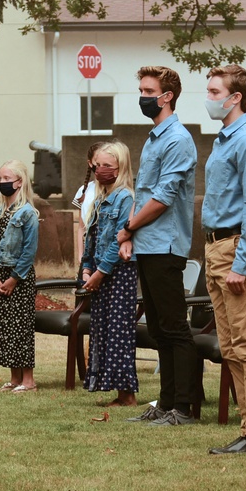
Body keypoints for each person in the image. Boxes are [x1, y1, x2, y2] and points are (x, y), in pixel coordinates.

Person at [116, 66, 199, 426]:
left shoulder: (177, 139)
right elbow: (143, 192)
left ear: (167, 96)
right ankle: (165, 405)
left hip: (166, 245)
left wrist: (128, 227)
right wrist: (131, 234)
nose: (142, 96)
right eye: (141, 89)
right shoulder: (154, 138)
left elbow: (163, 199)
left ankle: (184, 407)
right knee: (159, 329)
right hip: (147, 244)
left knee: (175, 327)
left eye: (148, 90)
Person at [199, 64, 246, 455]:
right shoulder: (224, 139)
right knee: (229, 345)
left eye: (214, 92)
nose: (209, 98)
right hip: (216, 247)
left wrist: (242, 264)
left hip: (235, 248)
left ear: (235, 98)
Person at [80, 141, 138, 407]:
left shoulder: (125, 197)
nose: (100, 170)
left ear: (120, 168)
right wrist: (86, 266)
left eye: (107, 166)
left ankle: (127, 394)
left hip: (118, 274)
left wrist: (101, 271)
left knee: (119, 333)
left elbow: (118, 240)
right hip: (99, 273)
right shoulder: (101, 198)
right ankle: (112, 388)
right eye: (98, 165)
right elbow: (91, 236)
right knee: (103, 330)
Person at [0, 160, 40, 393]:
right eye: (0, 179)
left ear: (19, 182)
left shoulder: (27, 213)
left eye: (7, 179)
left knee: (22, 327)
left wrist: (14, 278)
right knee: (8, 328)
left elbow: (29, 251)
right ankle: (14, 378)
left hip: (21, 277)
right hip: (4, 275)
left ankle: (28, 380)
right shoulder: (1, 211)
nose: (2, 183)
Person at [72, 141, 107, 232]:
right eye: (97, 162)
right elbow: (81, 227)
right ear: (90, 163)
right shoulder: (84, 190)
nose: (101, 167)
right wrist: (80, 247)